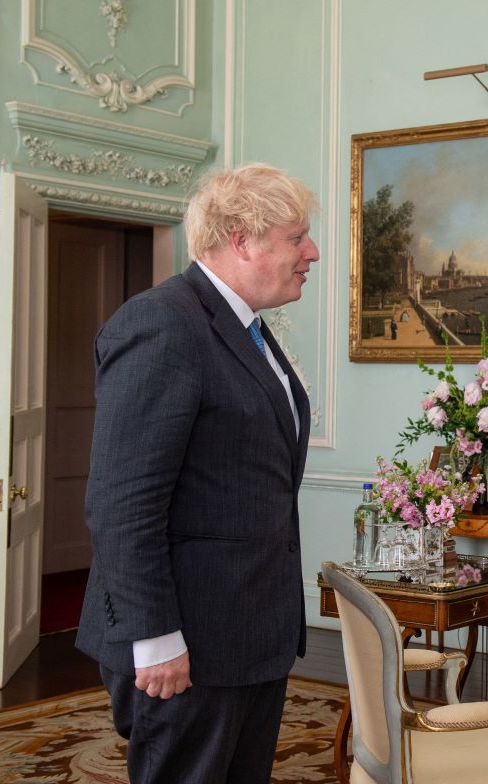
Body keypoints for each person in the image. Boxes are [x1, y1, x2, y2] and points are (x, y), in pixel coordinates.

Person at [76, 163, 318, 784]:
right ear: (242, 239)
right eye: (297, 238)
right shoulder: (162, 324)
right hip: (185, 642)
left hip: (246, 633)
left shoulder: (248, 329)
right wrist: (154, 637)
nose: (311, 253)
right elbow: (122, 503)